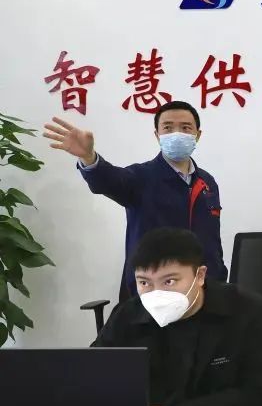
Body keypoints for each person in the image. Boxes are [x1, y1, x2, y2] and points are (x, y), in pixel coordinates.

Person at [44, 101, 227, 302]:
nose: (176, 134)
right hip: (154, 293)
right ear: (157, 135)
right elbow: (108, 180)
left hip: (204, 290)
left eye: (185, 128)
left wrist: (219, 277)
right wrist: (89, 157)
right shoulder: (140, 177)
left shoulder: (207, 182)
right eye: (168, 128)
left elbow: (212, 239)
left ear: (197, 135)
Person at [93, 227, 262, 406]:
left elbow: (259, 395)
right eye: (144, 282)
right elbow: (95, 376)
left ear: (200, 275)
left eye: (169, 281)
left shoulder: (248, 311)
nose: (157, 294)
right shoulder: (127, 315)